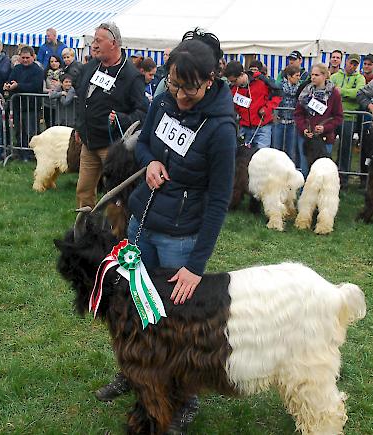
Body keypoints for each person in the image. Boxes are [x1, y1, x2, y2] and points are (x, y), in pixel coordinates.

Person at [123, 28, 236, 434]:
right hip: (143, 222)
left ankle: (184, 398)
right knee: (139, 306)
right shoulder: (162, 100)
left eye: (189, 90)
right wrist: (150, 162)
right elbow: (144, 144)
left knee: (180, 327)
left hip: (180, 238)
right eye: (174, 85)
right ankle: (136, 373)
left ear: (210, 80)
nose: (180, 96)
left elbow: (219, 202)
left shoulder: (222, 130)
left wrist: (195, 266)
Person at [74, 22, 147, 208]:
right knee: (83, 189)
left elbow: (142, 112)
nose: (94, 45)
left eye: (98, 41)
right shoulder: (90, 67)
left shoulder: (131, 76)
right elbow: (83, 99)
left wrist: (121, 119)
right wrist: (79, 126)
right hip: (89, 142)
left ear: (113, 43)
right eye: (93, 41)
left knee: (115, 194)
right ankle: (84, 230)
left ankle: (115, 231)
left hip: (113, 146)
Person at [294, 63, 344, 177]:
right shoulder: (305, 92)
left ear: (325, 76)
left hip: (325, 139)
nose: (313, 77)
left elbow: (338, 117)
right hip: (306, 137)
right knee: (305, 170)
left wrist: (325, 128)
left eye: (316, 75)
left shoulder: (334, 94)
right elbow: (298, 114)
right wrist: (304, 129)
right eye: (312, 74)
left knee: (322, 172)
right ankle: (304, 193)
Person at [224, 60, 282, 149]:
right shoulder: (232, 89)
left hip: (263, 128)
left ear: (242, 74)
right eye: (230, 81)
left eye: (234, 81)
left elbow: (278, 94)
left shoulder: (261, 80)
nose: (233, 84)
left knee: (262, 157)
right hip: (245, 129)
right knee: (245, 159)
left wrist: (267, 109)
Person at [330, 53, 366, 185]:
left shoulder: (360, 78)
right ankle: (328, 174)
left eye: (355, 64)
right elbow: (330, 92)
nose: (352, 66)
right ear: (346, 62)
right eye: (351, 62)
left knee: (345, 149)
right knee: (328, 146)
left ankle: (343, 178)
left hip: (349, 117)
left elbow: (358, 93)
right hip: (333, 117)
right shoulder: (334, 76)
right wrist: (346, 93)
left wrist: (341, 92)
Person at [4, 45, 44, 158]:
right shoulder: (17, 68)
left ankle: (32, 154)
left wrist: (18, 86)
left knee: (31, 131)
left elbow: (34, 86)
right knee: (19, 130)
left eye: (27, 57)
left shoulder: (38, 70)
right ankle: (20, 152)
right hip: (18, 106)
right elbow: (11, 79)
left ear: (33, 57)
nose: (25, 60)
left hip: (32, 106)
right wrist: (8, 85)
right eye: (23, 58)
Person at [271, 64, 301, 162]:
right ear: (289, 76)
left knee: (291, 151)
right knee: (276, 149)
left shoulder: (300, 88)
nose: (299, 78)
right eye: (296, 75)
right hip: (279, 121)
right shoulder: (279, 86)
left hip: (292, 123)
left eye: (299, 75)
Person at [43, 55, 63, 126]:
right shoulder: (45, 74)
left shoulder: (63, 74)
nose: (54, 63)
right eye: (51, 61)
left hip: (59, 104)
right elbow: (43, 88)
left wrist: (60, 84)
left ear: (59, 63)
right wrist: (50, 90)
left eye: (56, 61)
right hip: (47, 104)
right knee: (49, 125)